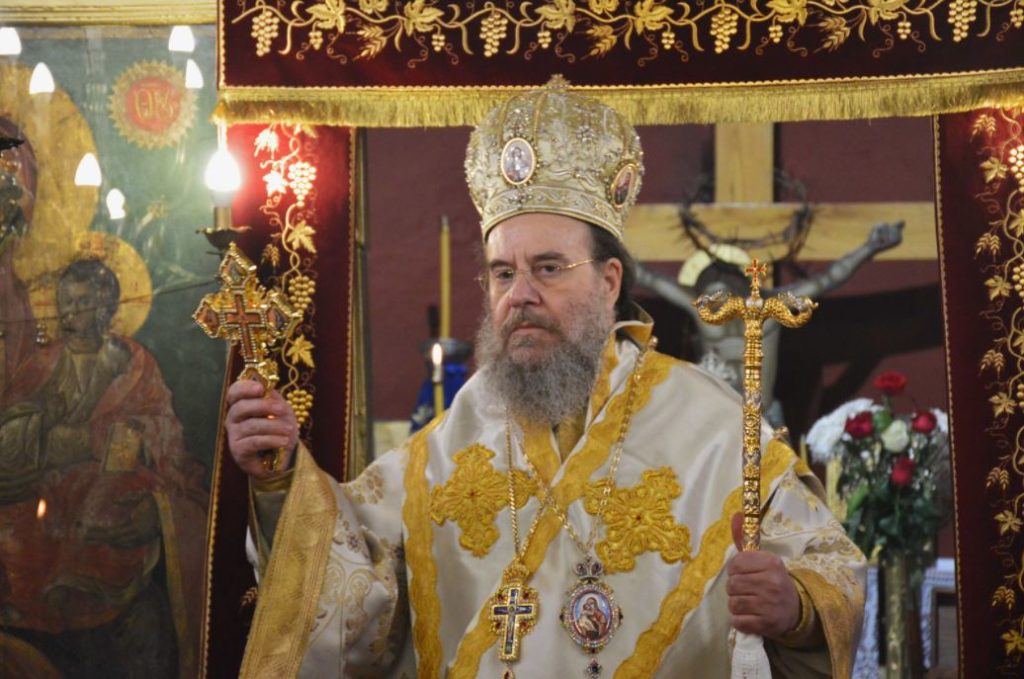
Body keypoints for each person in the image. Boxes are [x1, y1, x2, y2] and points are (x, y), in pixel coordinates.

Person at [226, 76, 866, 678]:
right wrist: (282, 480)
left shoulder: (714, 426)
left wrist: (797, 608)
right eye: (503, 273)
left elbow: (832, 566)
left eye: (549, 268)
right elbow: (355, 595)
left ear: (609, 282)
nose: (520, 295)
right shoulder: (451, 438)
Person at [0, 258, 207, 678]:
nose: (70, 313)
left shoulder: (133, 362)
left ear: (108, 308)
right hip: (44, 498)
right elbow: (13, 429)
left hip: (112, 483)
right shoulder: (42, 365)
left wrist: (128, 435)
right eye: (65, 302)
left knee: (106, 504)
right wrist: (42, 426)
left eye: (83, 303)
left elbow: (162, 428)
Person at [635, 221, 903, 427]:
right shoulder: (701, 306)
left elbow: (828, 279)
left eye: (722, 294)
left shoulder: (770, 306)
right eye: (710, 297)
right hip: (713, 415)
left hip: (764, 419)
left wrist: (870, 248)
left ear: (741, 288)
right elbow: (647, 277)